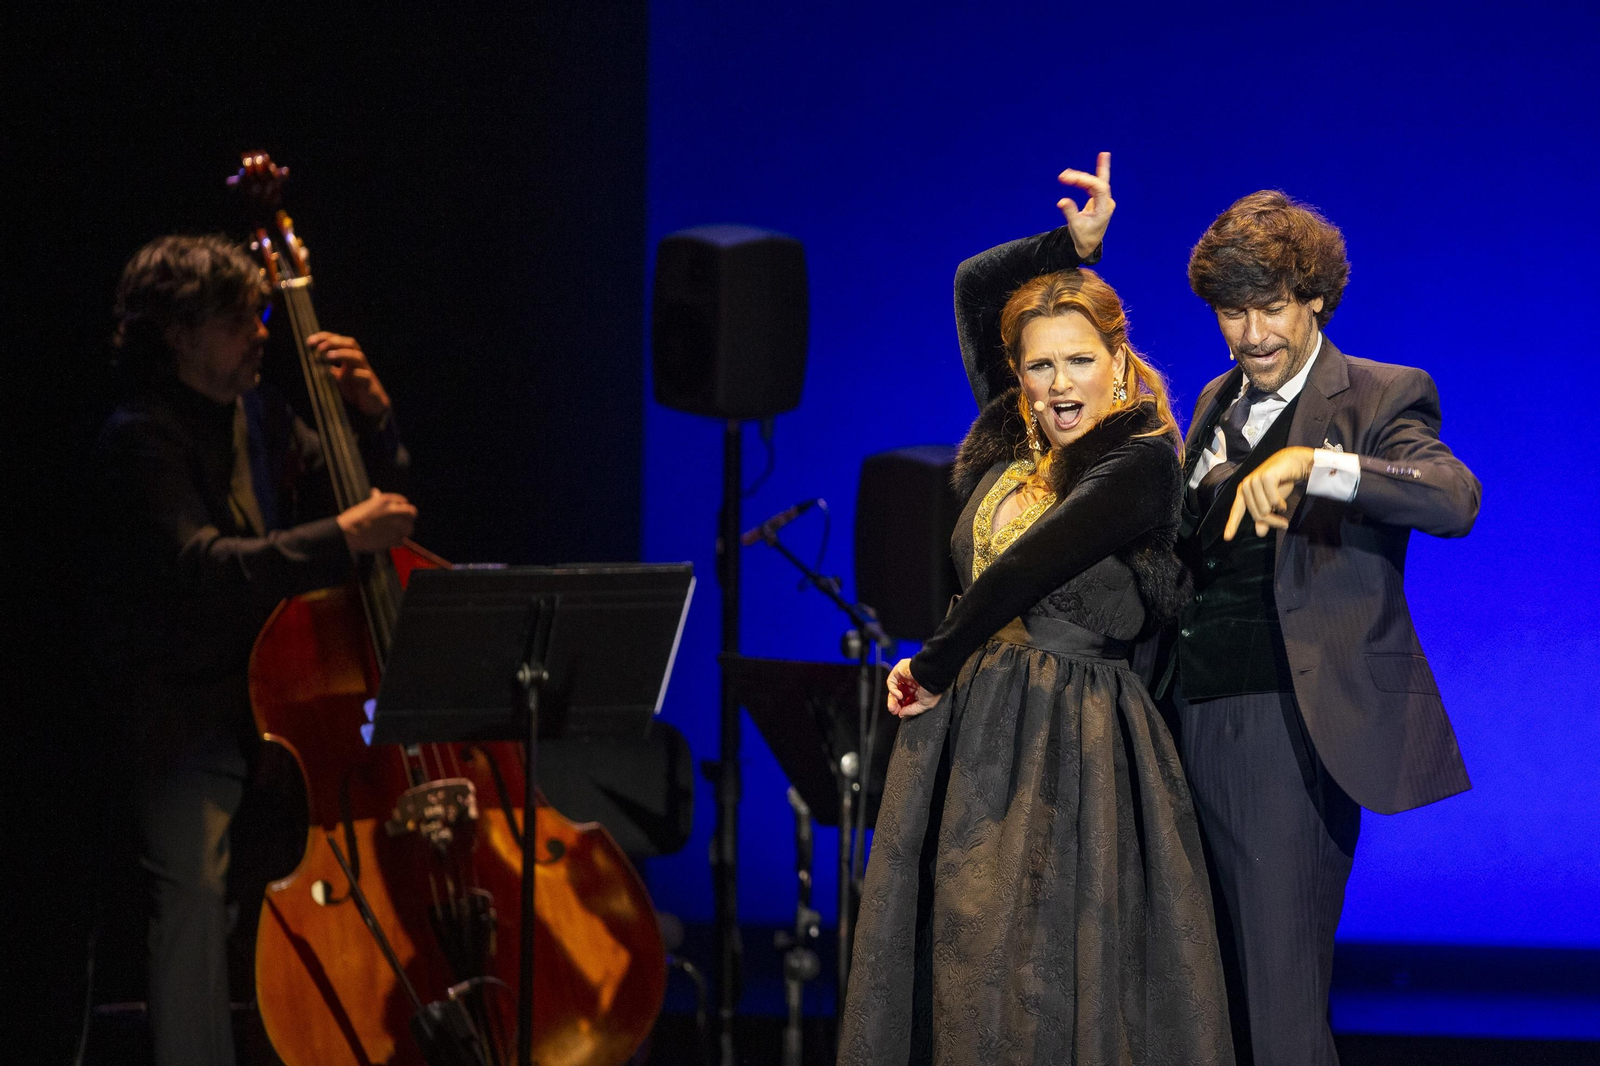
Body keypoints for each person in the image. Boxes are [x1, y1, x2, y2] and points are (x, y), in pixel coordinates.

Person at [839, 155, 1233, 1066]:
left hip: (1072, 733)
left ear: (1119, 363)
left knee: (1045, 969)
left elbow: (1029, 565)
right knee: (964, 961)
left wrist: (932, 662)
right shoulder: (1014, 439)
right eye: (1040, 365)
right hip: (977, 723)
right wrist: (1071, 246)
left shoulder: (1141, 459)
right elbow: (975, 287)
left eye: (1081, 361)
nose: (1060, 385)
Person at [87, 234, 417, 1066]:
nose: (261, 334)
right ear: (177, 334)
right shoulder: (140, 438)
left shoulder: (262, 415)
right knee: (192, 891)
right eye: (237, 321)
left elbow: (358, 501)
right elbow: (201, 567)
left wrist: (373, 418)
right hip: (185, 717)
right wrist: (341, 535)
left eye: (260, 315)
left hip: (283, 706)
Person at [1167, 192, 1478, 1066]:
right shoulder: (1214, 401)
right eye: (1233, 312)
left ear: (1315, 299)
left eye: (1271, 308)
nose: (1252, 334)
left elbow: (1454, 498)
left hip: (1287, 726)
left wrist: (1318, 465)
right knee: (1211, 1001)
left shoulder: (1379, 392)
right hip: (1188, 717)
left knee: (1281, 1008)